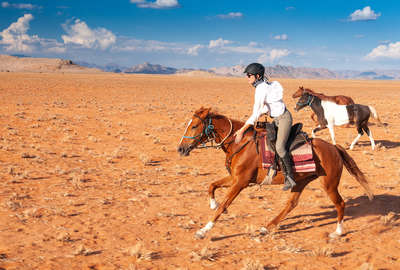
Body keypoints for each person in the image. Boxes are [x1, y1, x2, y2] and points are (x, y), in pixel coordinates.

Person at [234, 63, 297, 191]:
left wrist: (242, 130)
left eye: (249, 75)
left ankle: (290, 177)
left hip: (284, 119)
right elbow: (263, 109)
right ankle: (273, 167)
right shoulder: (263, 87)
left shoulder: (261, 89)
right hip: (277, 119)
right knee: (267, 139)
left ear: (257, 76)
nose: (247, 78)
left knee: (279, 146)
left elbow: (256, 113)